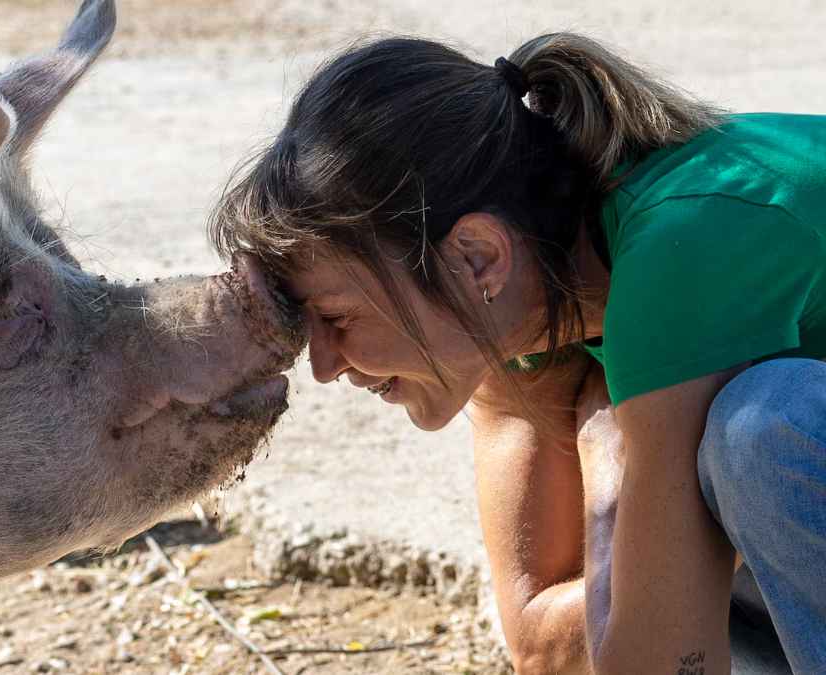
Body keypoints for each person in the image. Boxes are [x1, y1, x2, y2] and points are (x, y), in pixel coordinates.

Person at [210, 33, 824, 674]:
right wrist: (614, 455)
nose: (325, 366)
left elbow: (656, 663)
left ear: (478, 256)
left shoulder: (683, 249)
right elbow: (541, 645)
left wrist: (614, 437)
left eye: (337, 318)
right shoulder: (524, 322)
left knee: (764, 429)